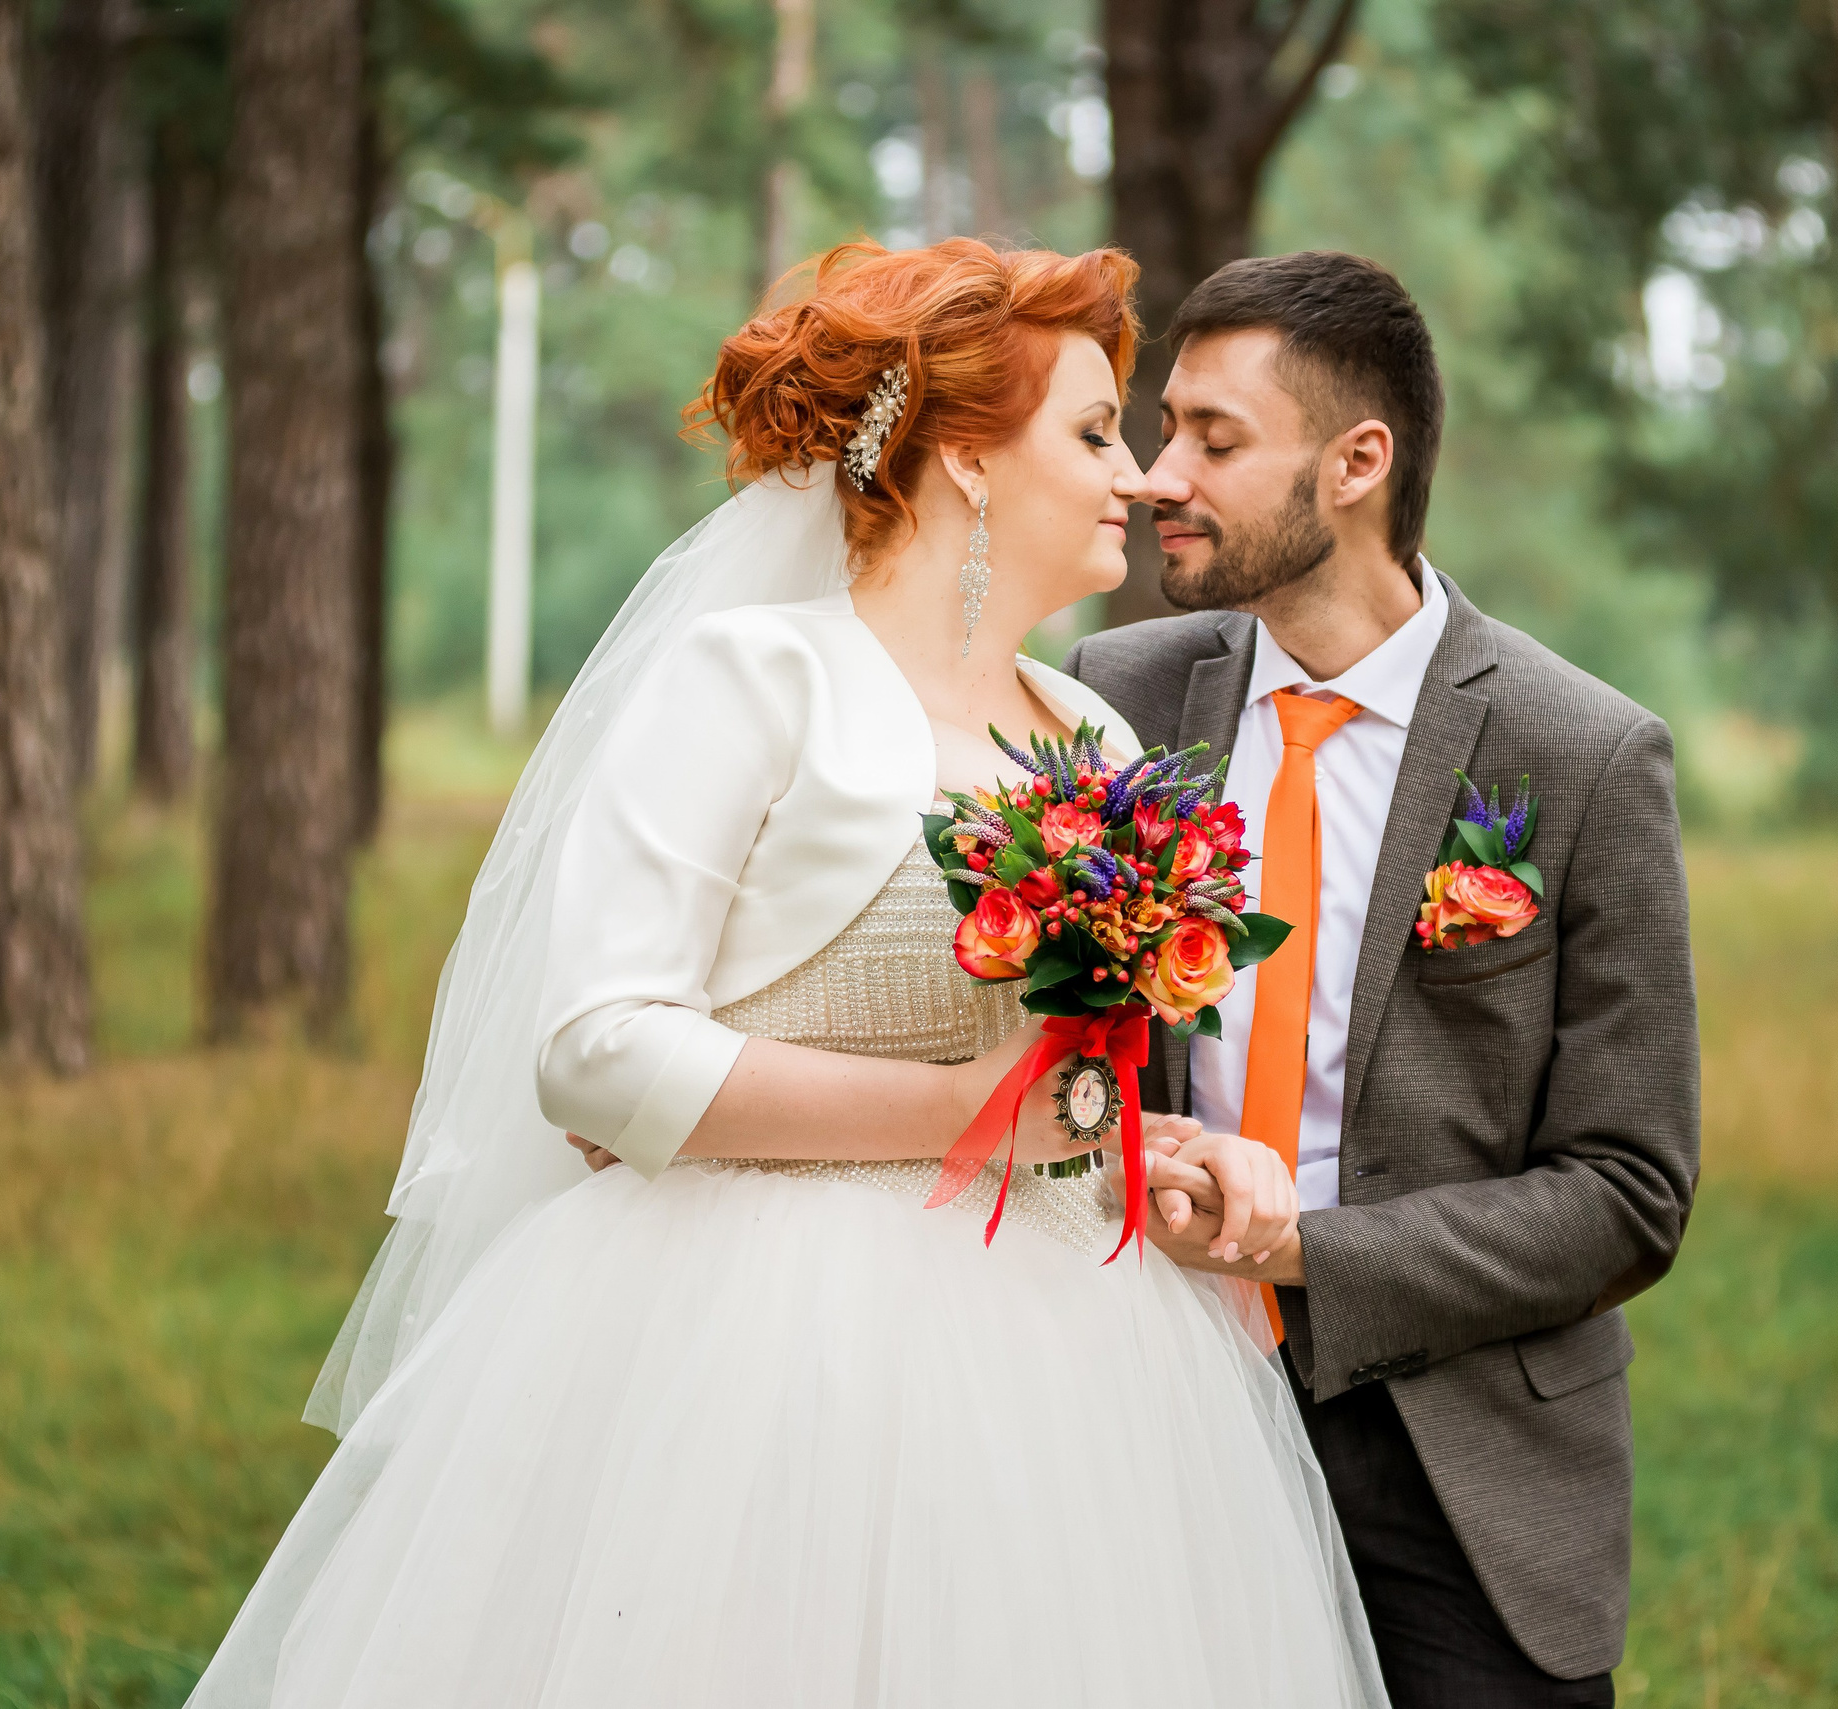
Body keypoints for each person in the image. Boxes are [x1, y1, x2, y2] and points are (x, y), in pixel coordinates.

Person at [184, 240, 1387, 1708]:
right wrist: (960, 1114)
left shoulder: (1094, 736)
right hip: (749, 1351)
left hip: (1069, 1365)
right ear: (963, 462)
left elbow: (1066, 1087)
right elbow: (598, 1052)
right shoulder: (755, 682)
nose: (1139, 477)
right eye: (1091, 432)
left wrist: (1186, 1149)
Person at [1070, 251, 1701, 1709]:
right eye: (1168, 429)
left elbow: (1628, 1189)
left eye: (1217, 441)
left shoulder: (1584, 754)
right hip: (1150, 1410)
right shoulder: (1121, 696)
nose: (1164, 476)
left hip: (1459, 1457)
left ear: (1359, 462)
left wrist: (1305, 1254)